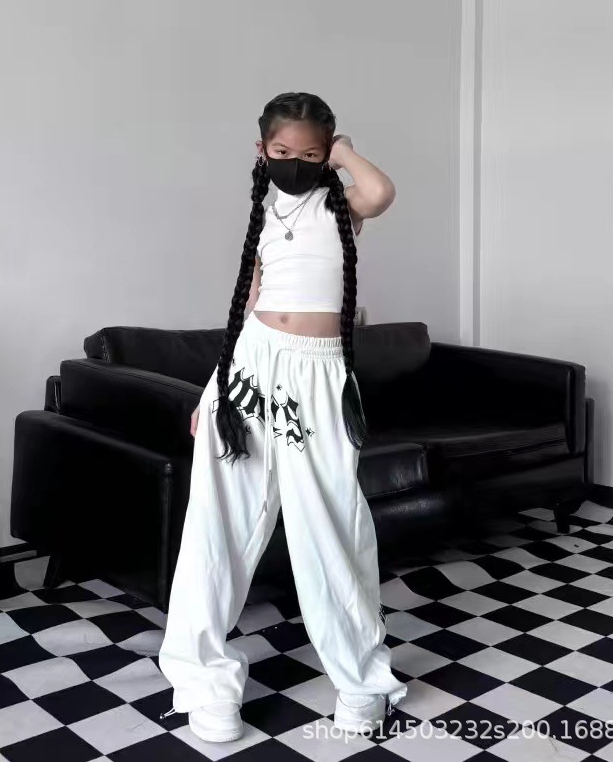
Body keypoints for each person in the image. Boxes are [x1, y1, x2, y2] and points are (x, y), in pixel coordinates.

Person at [157, 92, 408, 743]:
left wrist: (343, 153)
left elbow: (380, 192)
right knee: (218, 523)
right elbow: (248, 309)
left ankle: (361, 683)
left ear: (327, 155)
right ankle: (205, 684)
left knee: (331, 522)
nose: (295, 162)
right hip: (251, 366)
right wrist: (214, 390)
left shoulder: (339, 206)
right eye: (281, 151)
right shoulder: (262, 216)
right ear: (262, 150)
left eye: (310, 154)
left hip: (319, 372)